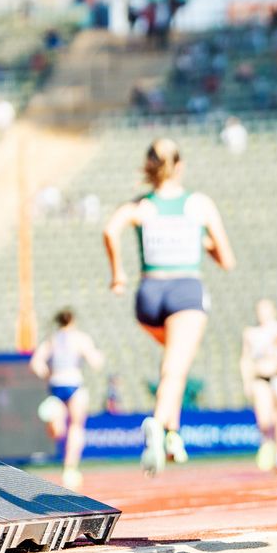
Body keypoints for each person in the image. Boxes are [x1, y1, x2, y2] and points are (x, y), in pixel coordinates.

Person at [102, 138, 236, 477]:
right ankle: (159, 427)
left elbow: (109, 230)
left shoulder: (141, 206)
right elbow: (227, 260)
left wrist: (118, 273)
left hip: (148, 297)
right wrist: (200, 241)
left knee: (175, 362)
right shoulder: (199, 204)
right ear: (180, 166)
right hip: (184, 291)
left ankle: (174, 433)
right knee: (174, 370)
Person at [30, 308, 103, 491]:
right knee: (76, 427)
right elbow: (95, 361)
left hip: (56, 384)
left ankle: (54, 420)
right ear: (73, 321)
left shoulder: (52, 339)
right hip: (74, 384)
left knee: (59, 431)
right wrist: (98, 357)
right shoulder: (80, 338)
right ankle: (70, 468)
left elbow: (35, 363)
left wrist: (48, 375)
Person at [241, 299, 277, 477]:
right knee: (265, 419)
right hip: (261, 378)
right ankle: (267, 444)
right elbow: (245, 359)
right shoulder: (250, 333)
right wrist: (247, 382)